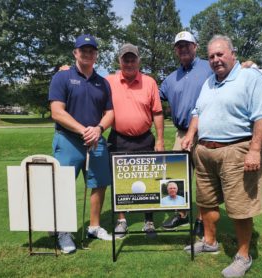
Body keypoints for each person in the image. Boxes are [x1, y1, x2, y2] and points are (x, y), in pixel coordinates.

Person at [182, 35, 262, 277]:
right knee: (206, 201)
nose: (215, 60)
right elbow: (197, 111)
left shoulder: (250, 77)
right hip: (204, 151)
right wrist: (190, 134)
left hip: (237, 149)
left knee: (239, 206)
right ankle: (210, 241)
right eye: (211, 56)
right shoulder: (209, 82)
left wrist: (254, 150)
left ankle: (243, 255)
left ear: (233, 53)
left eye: (220, 54)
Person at [48, 34, 115, 254]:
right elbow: (57, 112)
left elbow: (109, 113)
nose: (87, 54)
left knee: (99, 184)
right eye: (83, 50)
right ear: (75, 53)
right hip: (68, 139)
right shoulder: (62, 77)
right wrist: (83, 129)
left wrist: (98, 129)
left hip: (95, 139)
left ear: (96, 55)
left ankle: (94, 226)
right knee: (64, 186)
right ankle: (63, 232)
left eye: (91, 51)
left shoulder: (102, 82)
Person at [106, 43, 164, 239]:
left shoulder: (149, 82)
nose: (129, 62)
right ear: (119, 61)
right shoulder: (109, 81)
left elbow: (157, 112)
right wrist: (67, 70)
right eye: (125, 59)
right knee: (119, 181)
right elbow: (88, 82)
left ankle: (148, 221)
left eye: (133, 59)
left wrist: (160, 140)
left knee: (150, 181)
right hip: (118, 138)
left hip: (144, 139)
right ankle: (122, 221)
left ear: (139, 60)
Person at [159, 31, 212, 236]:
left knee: (203, 179)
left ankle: (201, 219)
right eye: (179, 46)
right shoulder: (171, 78)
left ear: (195, 46)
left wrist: (247, 65)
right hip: (181, 134)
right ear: (175, 50)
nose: (183, 49)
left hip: (205, 133)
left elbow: (233, 72)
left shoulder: (209, 67)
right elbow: (151, 96)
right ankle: (181, 215)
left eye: (187, 45)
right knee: (176, 178)